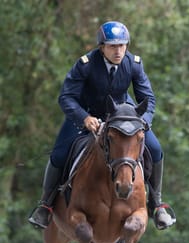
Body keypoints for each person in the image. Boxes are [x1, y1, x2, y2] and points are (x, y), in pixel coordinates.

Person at [29, 21, 176, 231]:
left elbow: (149, 99)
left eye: (122, 45)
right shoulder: (85, 64)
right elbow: (66, 97)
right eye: (113, 46)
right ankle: (45, 205)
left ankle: (157, 204)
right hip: (87, 114)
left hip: (123, 116)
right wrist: (84, 118)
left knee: (155, 149)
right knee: (60, 154)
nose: (119, 51)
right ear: (102, 47)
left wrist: (145, 121)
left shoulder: (133, 63)